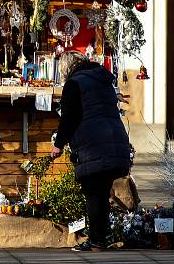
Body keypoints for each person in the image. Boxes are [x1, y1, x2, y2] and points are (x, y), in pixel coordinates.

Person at [51, 52, 132, 251]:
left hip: (93, 144)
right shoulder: (102, 79)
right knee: (101, 192)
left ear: (66, 68)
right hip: (114, 139)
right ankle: (99, 240)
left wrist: (58, 144)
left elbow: (69, 118)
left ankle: (96, 241)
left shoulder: (74, 84)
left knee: (93, 192)